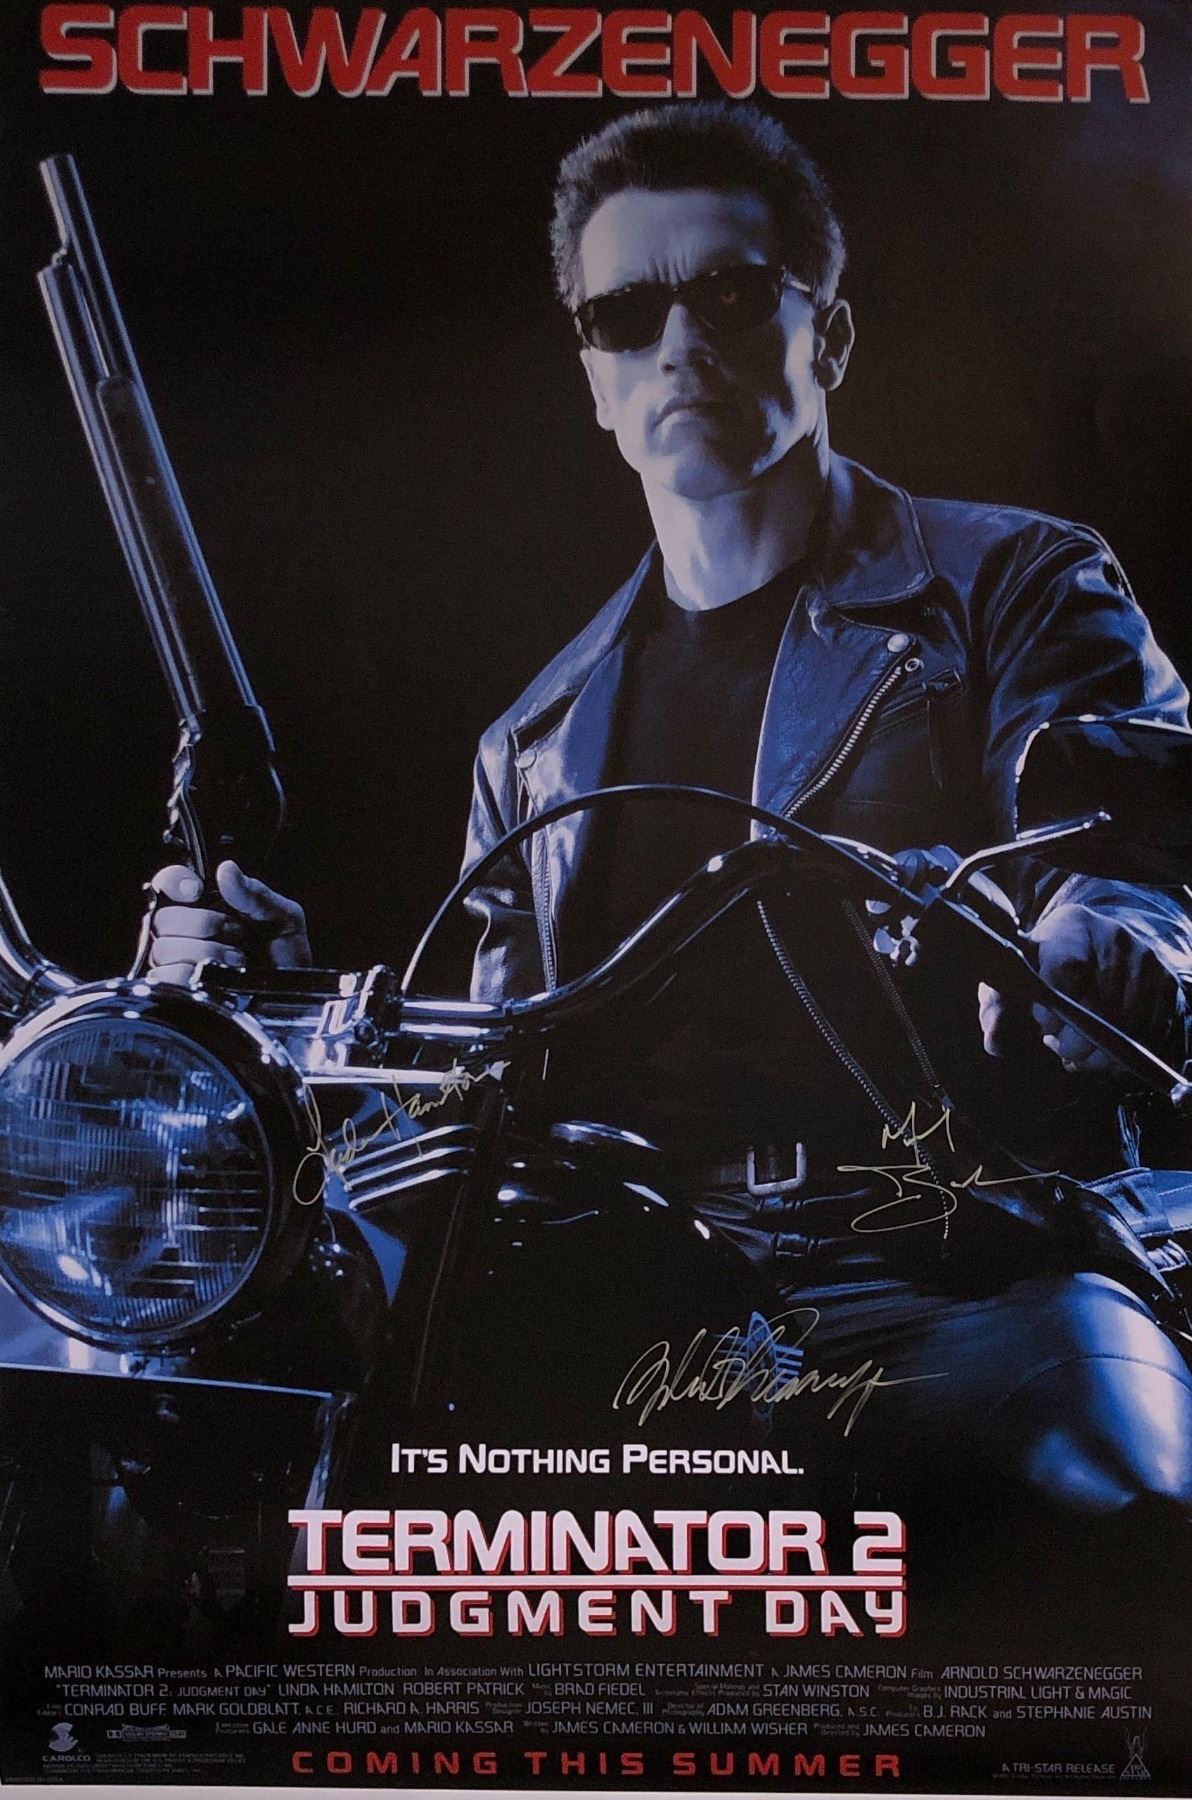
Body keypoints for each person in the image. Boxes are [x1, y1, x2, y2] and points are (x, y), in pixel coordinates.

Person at [148, 102, 1192, 1521]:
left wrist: (1098, 944)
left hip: (958, 1263)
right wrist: (282, 1013)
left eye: (732, 295)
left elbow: (1137, 848)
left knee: (1112, 1497)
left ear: (827, 335)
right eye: (626, 315)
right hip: (629, 1295)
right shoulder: (533, 742)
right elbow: (484, 1087)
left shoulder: (1014, 585)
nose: (680, 344)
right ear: (593, 378)